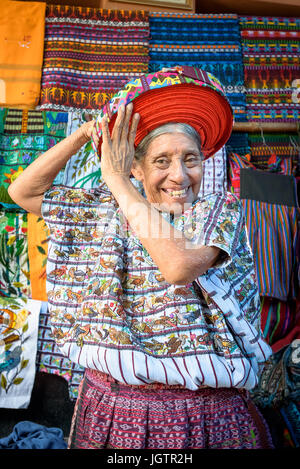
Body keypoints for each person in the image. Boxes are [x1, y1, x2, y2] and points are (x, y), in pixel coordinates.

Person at [8, 66, 274, 449]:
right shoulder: (106, 210)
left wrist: (116, 181)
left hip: (201, 417)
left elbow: (177, 265)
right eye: (162, 161)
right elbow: (23, 191)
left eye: (191, 159)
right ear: (137, 166)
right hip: (111, 411)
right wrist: (85, 135)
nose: (180, 176)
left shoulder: (217, 212)